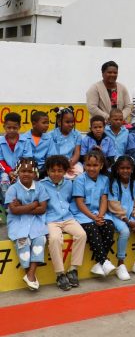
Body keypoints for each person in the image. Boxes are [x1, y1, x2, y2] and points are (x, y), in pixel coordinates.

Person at [40, 156, 87, 291]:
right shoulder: (41, 185)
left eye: (60, 170)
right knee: (55, 239)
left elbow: (71, 201)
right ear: (48, 171)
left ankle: (73, 269)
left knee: (81, 234)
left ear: (65, 171)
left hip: (67, 218)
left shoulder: (69, 183)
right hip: (51, 220)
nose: (56, 173)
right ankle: (60, 274)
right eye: (53, 170)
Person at [71, 151, 116, 278]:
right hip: (82, 213)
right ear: (84, 165)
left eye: (95, 165)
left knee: (109, 225)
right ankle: (104, 261)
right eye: (88, 165)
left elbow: (104, 199)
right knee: (92, 227)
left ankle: (99, 263)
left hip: (97, 212)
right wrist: (94, 218)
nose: (91, 168)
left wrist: (100, 216)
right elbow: (79, 203)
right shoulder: (79, 180)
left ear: (101, 166)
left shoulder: (104, 179)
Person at [6, 158, 48, 291]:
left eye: (30, 171)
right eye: (23, 171)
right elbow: (14, 211)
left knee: (40, 239)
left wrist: (22, 207)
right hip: (17, 222)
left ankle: (31, 274)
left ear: (35, 173)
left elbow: (42, 209)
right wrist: (33, 204)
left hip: (36, 221)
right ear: (18, 172)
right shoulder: (12, 189)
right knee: (22, 241)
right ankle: (29, 275)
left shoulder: (40, 187)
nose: (26, 174)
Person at [106, 156, 135, 280]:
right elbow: (114, 206)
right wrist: (128, 221)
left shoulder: (134, 183)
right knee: (125, 231)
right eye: (122, 168)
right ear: (117, 169)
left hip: (132, 216)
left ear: (132, 169)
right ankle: (120, 263)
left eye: (128, 168)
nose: (125, 170)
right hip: (117, 216)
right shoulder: (114, 183)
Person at [49, 107, 82, 178]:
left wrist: (70, 164)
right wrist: (63, 165)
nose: (71, 124)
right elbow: (51, 154)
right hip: (56, 163)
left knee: (79, 172)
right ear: (59, 122)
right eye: (67, 122)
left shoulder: (77, 134)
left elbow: (77, 153)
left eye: (72, 122)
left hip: (71, 162)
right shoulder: (52, 135)